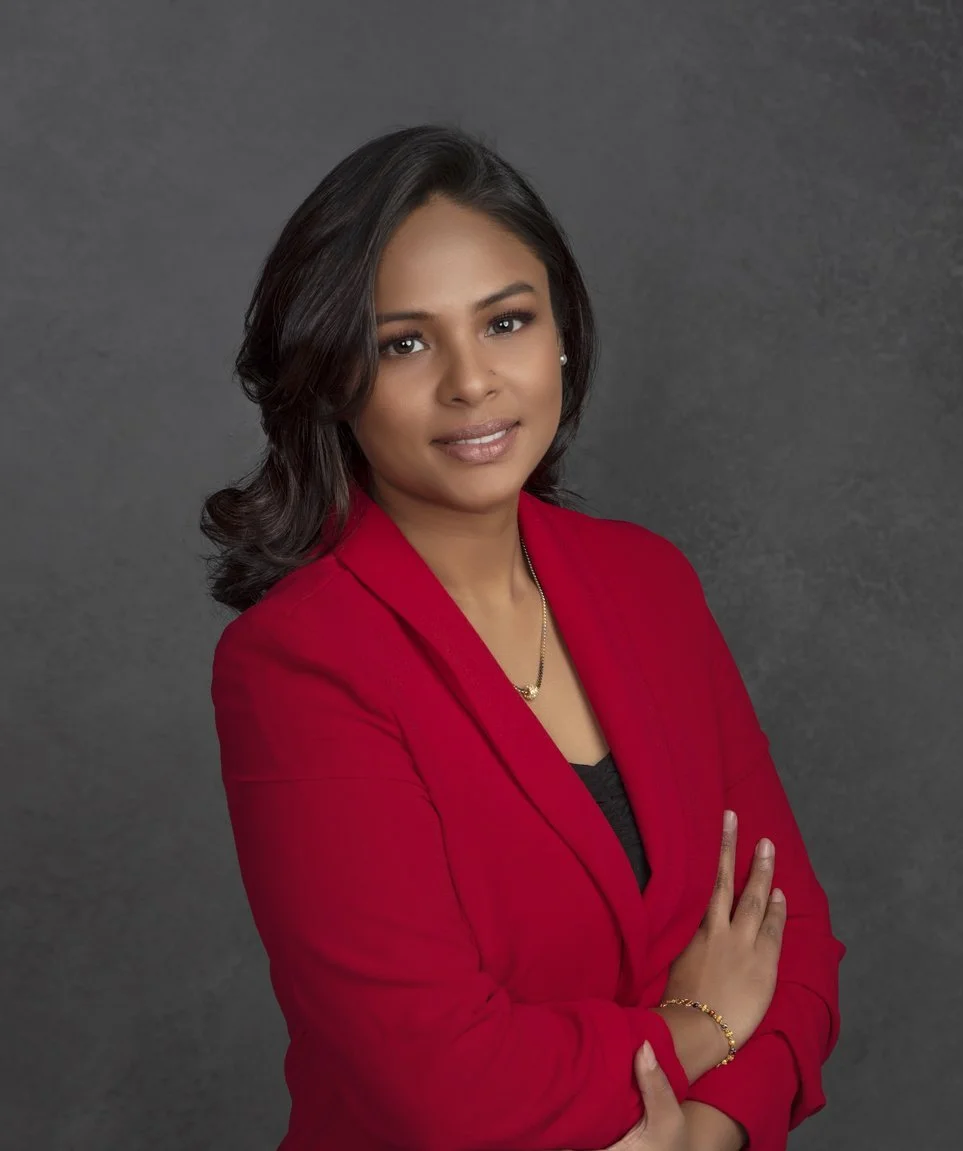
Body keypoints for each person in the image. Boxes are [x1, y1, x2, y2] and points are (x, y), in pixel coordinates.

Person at [203, 123, 846, 1151]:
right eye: (403, 342)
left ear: (560, 334)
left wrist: (706, 1133)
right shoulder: (300, 662)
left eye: (505, 321)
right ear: (333, 377)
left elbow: (795, 942)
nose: (471, 382)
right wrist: (700, 1026)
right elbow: (440, 1083)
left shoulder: (648, 582)